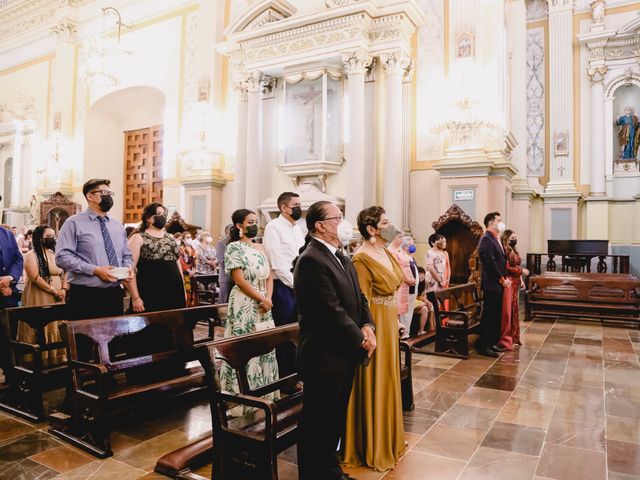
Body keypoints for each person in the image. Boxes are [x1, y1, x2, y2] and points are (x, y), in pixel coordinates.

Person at [293, 201, 376, 480]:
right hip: (324, 355)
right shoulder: (311, 259)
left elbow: (358, 297)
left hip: (342, 351)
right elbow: (328, 309)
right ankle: (315, 474)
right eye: (337, 217)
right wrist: (359, 338)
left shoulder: (340, 254)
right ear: (320, 225)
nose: (343, 222)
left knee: (333, 417)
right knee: (319, 419)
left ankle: (329, 471)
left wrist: (367, 325)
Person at [343, 206, 405, 472]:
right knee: (375, 378)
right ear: (371, 229)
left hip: (390, 320)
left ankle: (389, 438)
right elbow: (360, 302)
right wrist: (366, 333)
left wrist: (398, 321)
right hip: (375, 323)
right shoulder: (361, 258)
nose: (390, 226)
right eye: (385, 222)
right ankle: (370, 443)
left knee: (390, 377)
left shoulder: (386, 252)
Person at [219, 209, 278, 415]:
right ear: (239, 226)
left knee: (265, 343)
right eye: (250, 221)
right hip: (245, 301)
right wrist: (261, 298)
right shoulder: (234, 248)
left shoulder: (261, 247)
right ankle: (241, 392)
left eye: (256, 221)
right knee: (246, 343)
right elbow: (239, 279)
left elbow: (269, 276)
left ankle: (265, 391)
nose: (255, 224)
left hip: (264, 302)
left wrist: (268, 298)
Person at [55, 178, 133, 319]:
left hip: (114, 293)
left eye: (110, 193)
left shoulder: (117, 226)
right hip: (86, 294)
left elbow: (127, 255)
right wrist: (95, 270)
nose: (108, 196)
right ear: (90, 196)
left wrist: (128, 268)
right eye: (103, 192)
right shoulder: (73, 223)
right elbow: (62, 257)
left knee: (115, 339)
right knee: (85, 339)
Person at [263, 191, 305, 378]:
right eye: (295, 204)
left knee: (299, 331)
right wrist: (295, 284)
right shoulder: (273, 227)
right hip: (283, 287)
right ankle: (285, 377)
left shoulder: (298, 228)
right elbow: (277, 262)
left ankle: (298, 372)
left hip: (299, 285)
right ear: (284, 207)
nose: (299, 208)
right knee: (285, 332)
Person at [19, 225, 67, 365]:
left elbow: (65, 272)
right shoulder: (30, 255)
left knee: (56, 326)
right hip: (40, 295)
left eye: (53, 236)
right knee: (40, 326)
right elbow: (34, 276)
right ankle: (37, 363)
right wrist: (52, 290)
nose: (52, 239)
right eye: (48, 237)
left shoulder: (56, 254)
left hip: (58, 296)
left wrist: (63, 289)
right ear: (39, 238)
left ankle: (57, 360)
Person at [126, 203, 186, 313]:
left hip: (174, 292)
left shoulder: (170, 237)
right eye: (158, 214)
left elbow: (177, 265)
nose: (162, 216)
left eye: (164, 214)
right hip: (150, 291)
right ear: (148, 218)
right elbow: (129, 269)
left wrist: (183, 290)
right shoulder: (138, 237)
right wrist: (135, 298)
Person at [476, 211, 511, 358]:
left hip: (497, 284)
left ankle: (492, 344)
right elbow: (490, 263)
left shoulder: (495, 238)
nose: (501, 223)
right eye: (499, 220)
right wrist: (502, 280)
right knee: (489, 316)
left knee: (495, 315)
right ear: (491, 223)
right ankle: (484, 346)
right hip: (492, 284)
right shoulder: (486, 239)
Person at [0, 223, 23, 382]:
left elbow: (17, 258)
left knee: (7, 339)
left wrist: (9, 278)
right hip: (4, 289)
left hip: (7, 296)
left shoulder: (6, 234)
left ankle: (10, 375)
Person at [500, 229, 528, 348]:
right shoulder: (505, 250)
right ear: (506, 238)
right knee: (509, 310)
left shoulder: (513, 250)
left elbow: (516, 265)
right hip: (509, 281)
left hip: (516, 281)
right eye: (512, 238)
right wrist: (522, 271)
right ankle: (508, 338)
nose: (514, 240)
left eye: (515, 237)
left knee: (515, 309)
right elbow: (507, 268)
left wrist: (521, 279)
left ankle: (514, 337)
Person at [387, 231, 416, 340]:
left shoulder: (399, 250)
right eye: (399, 237)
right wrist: (408, 279)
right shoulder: (391, 251)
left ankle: (399, 335)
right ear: (393, 238)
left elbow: (407, 265)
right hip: (399, 284)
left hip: (405, 285)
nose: (401, 239)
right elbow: (396, 268)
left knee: (400, 311)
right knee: (396, 311)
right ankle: (396, 337)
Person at [424, 234, 450, 326]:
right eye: (440, 240)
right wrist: (439, 280)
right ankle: (431, 327)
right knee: (432, 305)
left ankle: (437, 326)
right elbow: (430, 268)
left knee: (438, 305)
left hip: (441, 281)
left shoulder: (442, 253)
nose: (443, 242)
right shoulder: (430, 253)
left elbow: (445, 269)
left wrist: (445, 280)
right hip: (432, 280)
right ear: (433, 242)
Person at [178, 231, 197, 306]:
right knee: (187, 291)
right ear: (183, 240)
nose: (189, 239)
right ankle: (187, 307)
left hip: (192, 272)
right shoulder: (181, 248)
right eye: (187, 237)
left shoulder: (192, 248)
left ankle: (193, 307)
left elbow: (195, 260)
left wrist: (194, 270)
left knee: (193, 291)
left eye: (190, 237)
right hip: (185, 273)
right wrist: (188, 270)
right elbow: (181, 261)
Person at [216, 224, 233, 303]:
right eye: (231, 230)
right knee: (224, 301)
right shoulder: (221, 243)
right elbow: (221, 260)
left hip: (237, 278)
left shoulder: (237, 242)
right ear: (226, 232)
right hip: (226, 278)